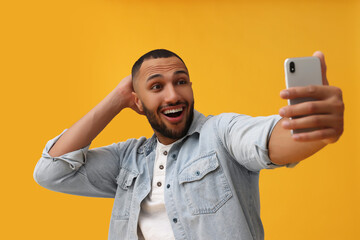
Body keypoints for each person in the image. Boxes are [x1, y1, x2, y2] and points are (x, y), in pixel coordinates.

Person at [33, 49, 344, 240]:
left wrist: (316, 130)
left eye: (180, 81)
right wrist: (116, 99)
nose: (172, 95)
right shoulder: (127, 158)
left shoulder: (220, 133)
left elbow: (267, 141)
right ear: (138, 102)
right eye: (157, 86)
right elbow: (51, 171)